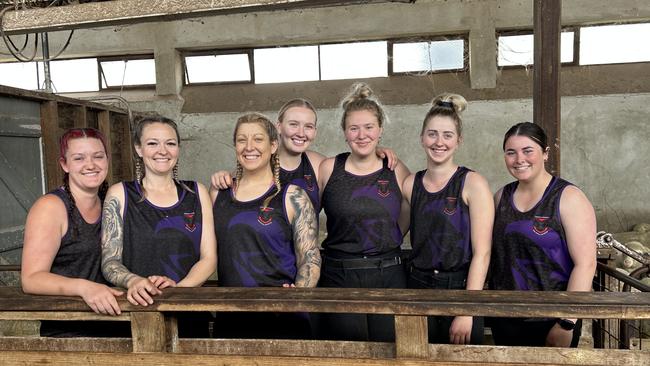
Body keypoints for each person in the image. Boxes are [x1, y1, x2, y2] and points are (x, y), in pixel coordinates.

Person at [101, 116, 217, 336]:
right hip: (136, 310)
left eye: (170, 143)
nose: (162, 151)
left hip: (187, 310)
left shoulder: (196, 192)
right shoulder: (120, 194)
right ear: (139, 148)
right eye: (152, 143)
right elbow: (109, 261)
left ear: (178, 149)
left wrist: (178, 290)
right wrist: (134, 280)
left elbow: (209, 258)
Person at [211, 112, 320, 338]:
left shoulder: (293, 196)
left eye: (258, 139)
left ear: (273, 146)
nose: (249, 146)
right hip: (232, 313)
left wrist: (298, 294)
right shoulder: (218, 193)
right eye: (242, 140)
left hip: (281, 313)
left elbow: (310, 256)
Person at [489, 122, 597, 347]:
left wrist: (567, 322)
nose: (519, 159)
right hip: (506, 316)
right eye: (511, 152)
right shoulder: (500, 197)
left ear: (545, 153)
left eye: (528, 150)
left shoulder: (568, 197)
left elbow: (586, 264)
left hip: (552, 319)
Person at [317, 83, 410, 342]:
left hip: (388, 271)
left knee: (391, 351)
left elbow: (411, 208)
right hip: (339, 273)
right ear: (345, 133)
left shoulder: (395, 169)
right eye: (354, 128)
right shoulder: (328, 168)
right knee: (347, 353)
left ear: (380, 130)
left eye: (369, 127)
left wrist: (388, 235)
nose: (362, 135)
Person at [401, 94, 493, 345]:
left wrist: (466, 309)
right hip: (417, 287)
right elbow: (393, 234)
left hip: (460, 287)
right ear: (422, 138)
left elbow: (482, 253)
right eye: (432, 134)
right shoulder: (411, 184)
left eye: (447, 135)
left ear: (458, 140)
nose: (439, 142)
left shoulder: (473, 183)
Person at [21, 128, 128, 337]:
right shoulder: (51, 207)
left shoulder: (113, 200)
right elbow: (31, 278)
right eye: (79, 158)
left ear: (107, 160)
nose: (91, 165)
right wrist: (84, 287)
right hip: (70, 329)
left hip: (121, 323)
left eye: (98, 156)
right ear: (64, 164)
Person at [210, 98, 398, 212]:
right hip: (268, 264)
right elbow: (241, 176)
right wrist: (222, 177)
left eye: (308, 126)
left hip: (305, 264)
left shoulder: (319, 165)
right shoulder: (257, 163)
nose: (301, 133)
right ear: (279, 127)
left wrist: (376, 151)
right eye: (293, 124)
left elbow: (355, 164)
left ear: (315, 132)